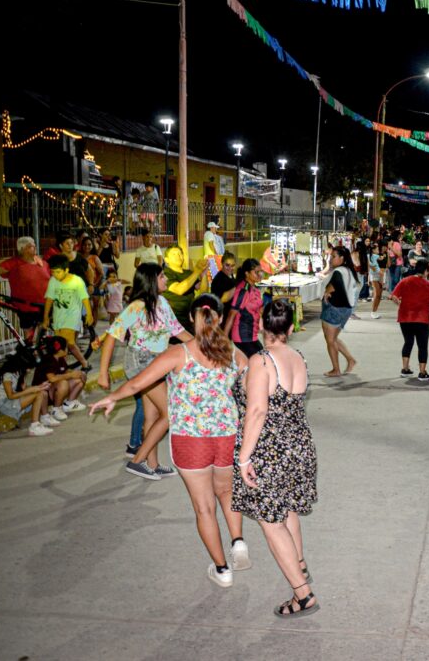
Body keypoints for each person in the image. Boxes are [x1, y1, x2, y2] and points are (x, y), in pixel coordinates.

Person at [91, 294, 251, 588]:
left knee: (204, 508)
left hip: (191, 440)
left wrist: (112, 398)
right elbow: (250, 380)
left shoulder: (180, 353)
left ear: (191, 318)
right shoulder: (231, 351)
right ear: (217, 317)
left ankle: (222, 570)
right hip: (226, 435)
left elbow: (139, 382)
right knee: (226, 492)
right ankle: (238, 541)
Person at [233, 299, 320, 617]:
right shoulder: (298, 356)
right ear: (291, 327)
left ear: (261, 324)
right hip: (299, 446)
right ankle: (299, 565)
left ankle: (303, 594)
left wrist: (244, 459)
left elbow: (257, 411)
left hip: (270, 451)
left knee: (271, 523)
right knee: (288, 512)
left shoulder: (262, 361)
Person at [98, 263, 193, 472]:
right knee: (170, 414)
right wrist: (103, 372)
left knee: (152, 416)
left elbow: (179, 332)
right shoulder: (137, 307)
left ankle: (152, 464)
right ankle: (137, 460)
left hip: (156, 362)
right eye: (162, 277)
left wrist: (205, 349)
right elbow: (112, 336)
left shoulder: (163, 302)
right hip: (140, 362)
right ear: (151, 280)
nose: (166, 280)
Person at [0, 236, 50, 338]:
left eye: (34, 245)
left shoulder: (41, 262)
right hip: (26, 306)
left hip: (44, 304)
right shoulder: (14, 263)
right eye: (31, 246)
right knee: (28, 331)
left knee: (41, 330)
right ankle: (31, 350)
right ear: (22, 249)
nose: (35, 248)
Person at [390, 260, 429, 380]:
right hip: (421, 319)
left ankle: (405, 369)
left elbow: (394, 296)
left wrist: (400, 303)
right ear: (426, 271)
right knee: (422, 345)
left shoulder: (404, 281)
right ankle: (422, 372)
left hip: (405, 318)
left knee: (408, 342)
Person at [42, 254, 93, 370]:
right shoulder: (53, 281)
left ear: (66, 270)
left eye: (58, 272)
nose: (55, 275)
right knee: (64, 344)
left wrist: (89, 314)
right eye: (52, 272)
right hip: (58, 318)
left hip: (72, 317)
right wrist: (45, 317)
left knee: (66, 344)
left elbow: (85, 298)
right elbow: (49, 299)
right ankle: (80, 364)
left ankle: (66, 367)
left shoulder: (77, 281)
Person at [0, 350, 57, 436]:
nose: (29, 370)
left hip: (14, 401)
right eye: (29, 367)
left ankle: (44, 417)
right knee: (38, 394)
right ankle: (34, 427)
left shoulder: (17, 372)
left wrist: (40, 386)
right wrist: (31, 390)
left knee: (43, 392)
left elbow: (24, 390)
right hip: (6, 404)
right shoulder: (7, 375)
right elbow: (11, 396)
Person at [320, 245, 360, 378]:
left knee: (330, 341)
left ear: (342, 258)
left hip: (334, 309)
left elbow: (333, 285)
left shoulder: (338, 272)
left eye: (333, 256)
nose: (331, 259)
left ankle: (336, 369)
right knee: (334, 339)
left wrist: (327, 291)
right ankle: (350, 360)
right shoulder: (348, 270)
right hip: (346, 309)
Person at [32, 335, 86, 421]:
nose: (68, 350)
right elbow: (52, 379)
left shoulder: (60, 358)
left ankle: (69, 403)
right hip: (44, 392)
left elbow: (65, 371)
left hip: (52, 389)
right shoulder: (48, 359)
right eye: (66, 347)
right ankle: (56, 409)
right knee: (63, 383)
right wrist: (70, 375)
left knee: (78, 380)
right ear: (60, 349)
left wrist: (77, 373)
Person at [225, 259, 266, 358]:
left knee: (262, 360)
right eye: (256, 272)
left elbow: (258, 311)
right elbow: (231, 315)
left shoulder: (254, 289)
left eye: (260, 271)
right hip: (242, 337)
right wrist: (224, 339)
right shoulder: (243, 291)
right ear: (247, 274)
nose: (259, 275)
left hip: (252, 335)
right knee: (260, 361)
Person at [163, 245, 208, 333]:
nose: (178, 256)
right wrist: (197, 271)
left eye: (180, 254)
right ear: (166, 259)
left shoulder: (189, 273)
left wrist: (204, 274)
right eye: (174, 254)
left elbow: (203, 291)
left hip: (190, 318)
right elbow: (179, 290)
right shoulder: (166, 274)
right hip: (174, 319)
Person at [211, 252, 238, 321]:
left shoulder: (230, 276)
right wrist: (238, 287)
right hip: (224, 317)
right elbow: (222, 299)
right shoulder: (219, 280)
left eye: (232, 265)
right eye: (227, 265)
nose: (230, 268)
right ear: (222, 264)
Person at [369, 242, 385, 318]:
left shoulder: (375, 256)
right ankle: (372, 312)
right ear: (373, 250)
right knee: (377, 293)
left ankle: (375, 311)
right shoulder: (368, 256)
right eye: (377, 249)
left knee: (379, 294)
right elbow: (370, 266)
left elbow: (381, 258)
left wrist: (384, 255)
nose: (378, 249)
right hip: (374, 275)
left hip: (380, 274)